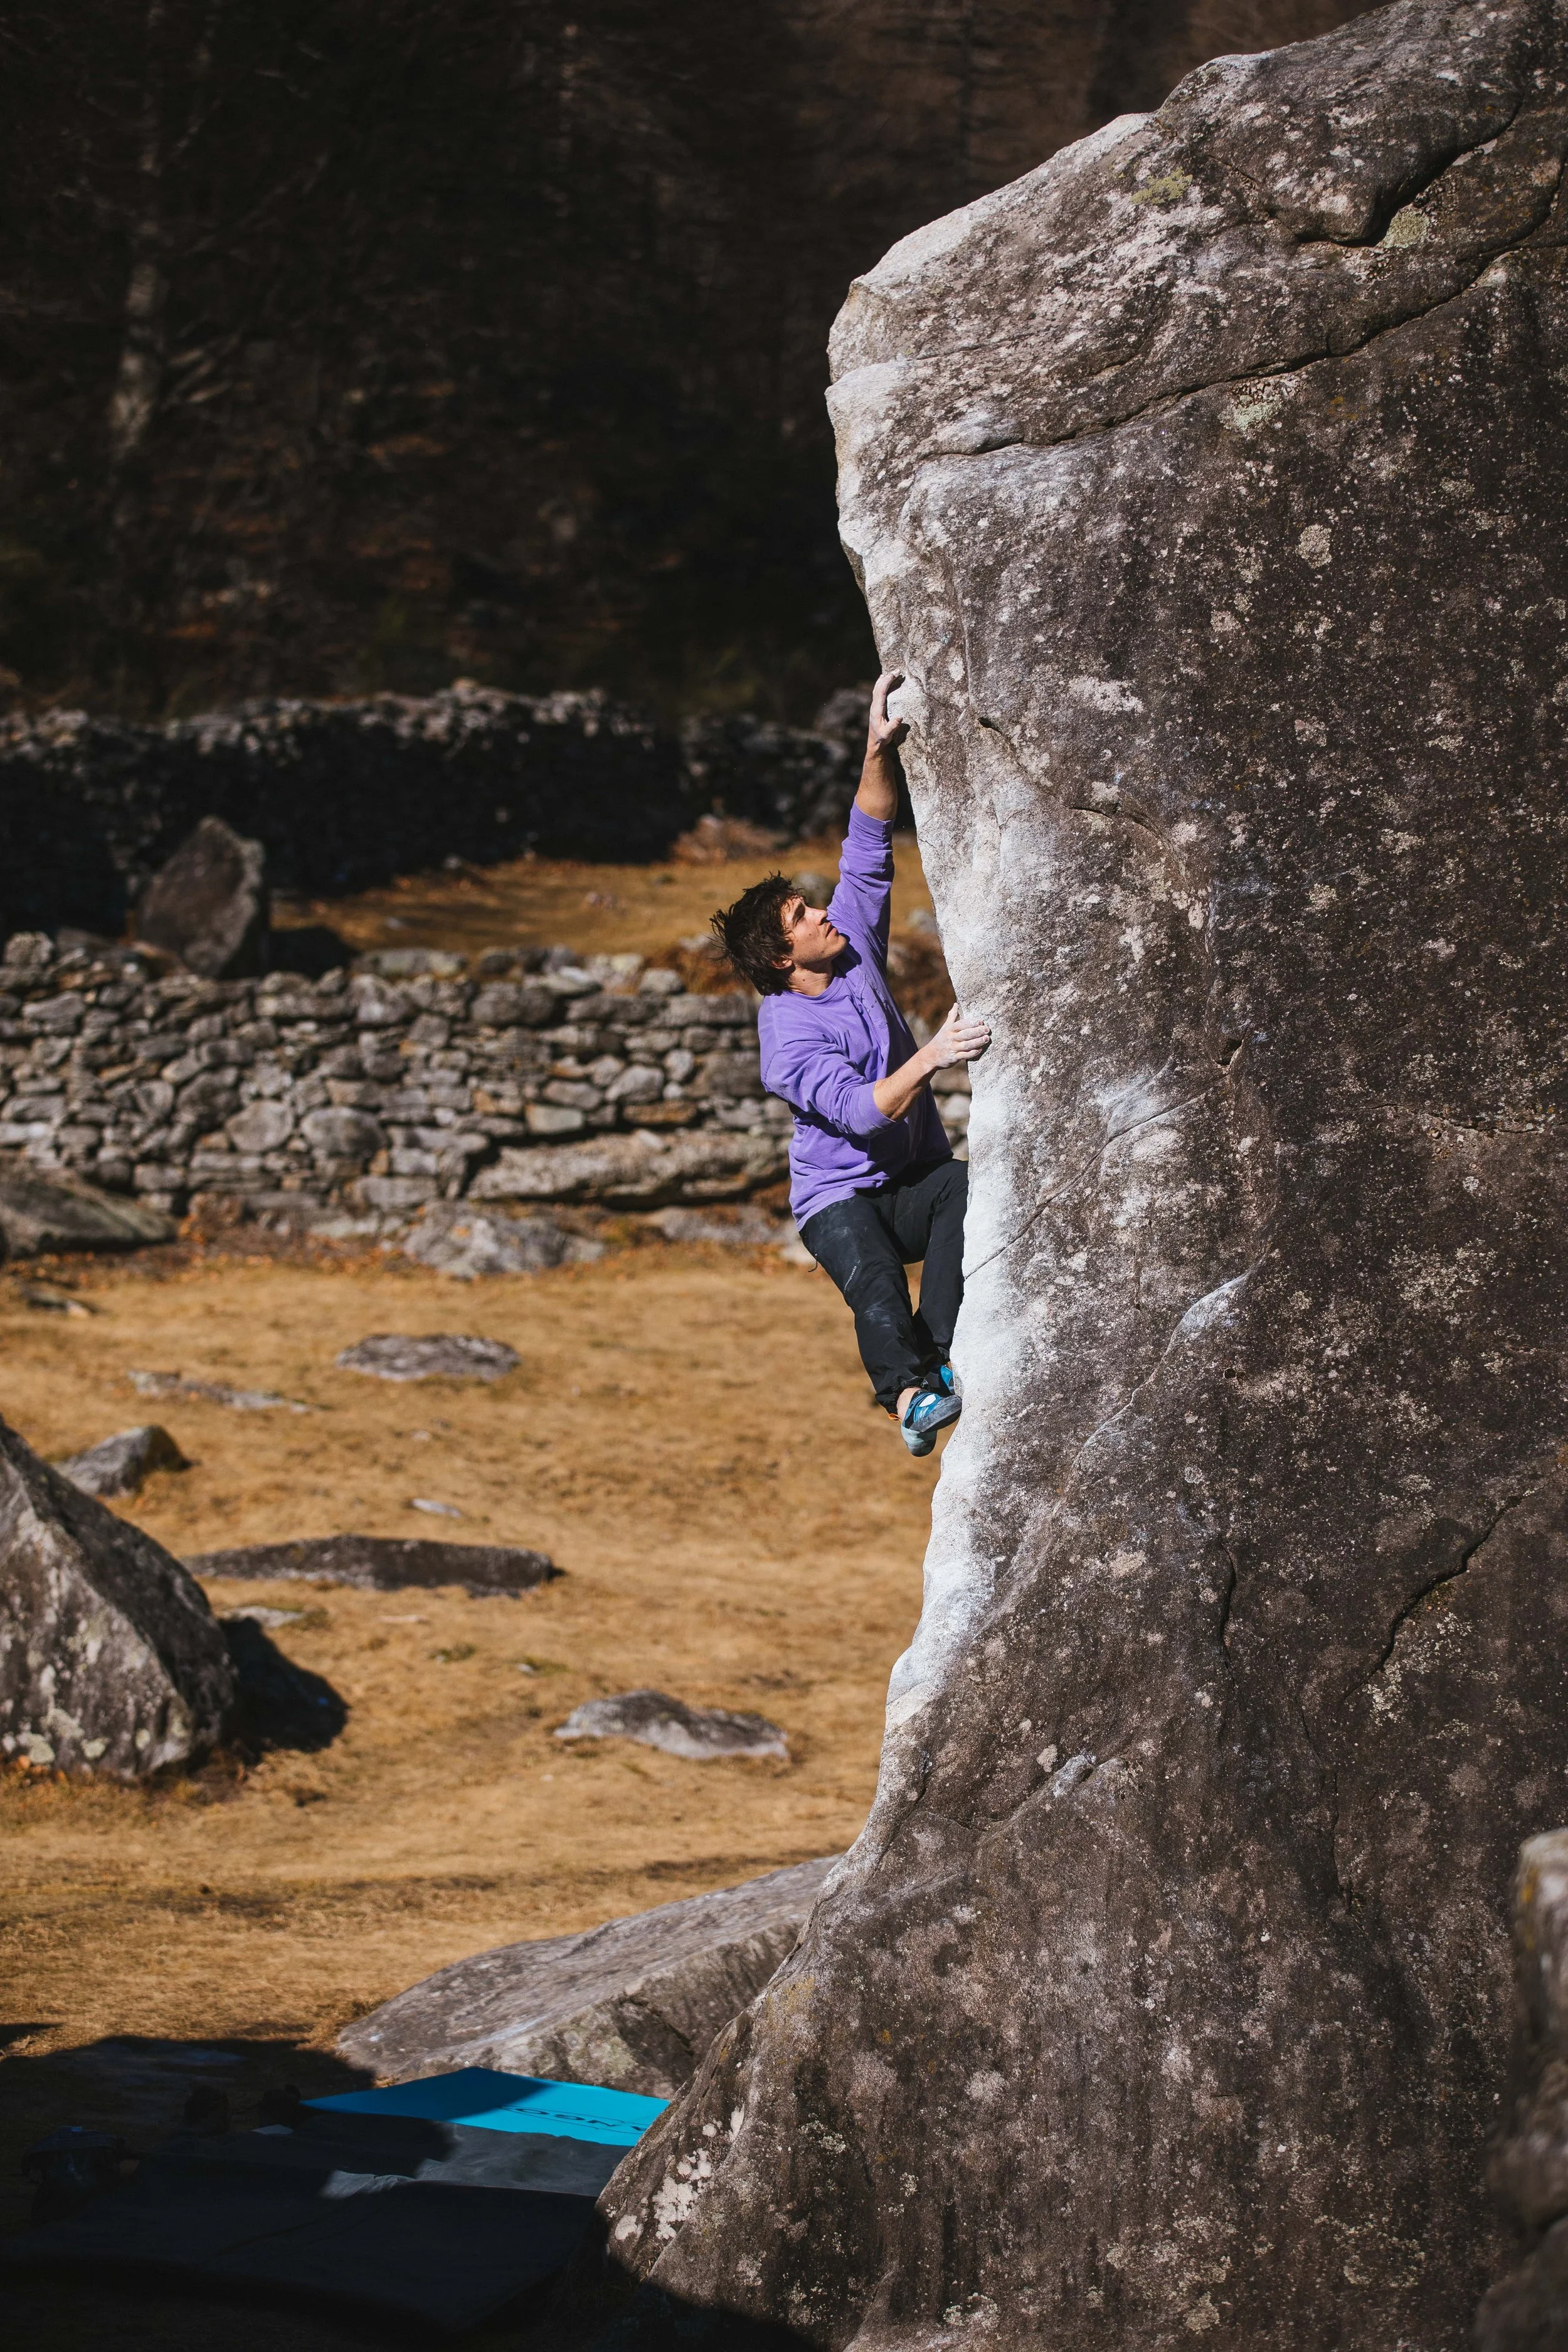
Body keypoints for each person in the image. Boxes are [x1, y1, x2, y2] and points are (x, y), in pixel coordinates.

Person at [711, 672, 990, 1456]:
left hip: (905, 1183)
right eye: (803, 917)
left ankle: (938, 1366)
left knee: (958, 1188)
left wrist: (876, 749)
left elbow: (867, 844)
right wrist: (933, 1055)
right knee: (871, 1277)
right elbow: (865, 1110)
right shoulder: (787, 1037)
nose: (823, 911)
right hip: (836, 1198)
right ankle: (905, 1394)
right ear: (778, 955)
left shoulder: (851, 950)